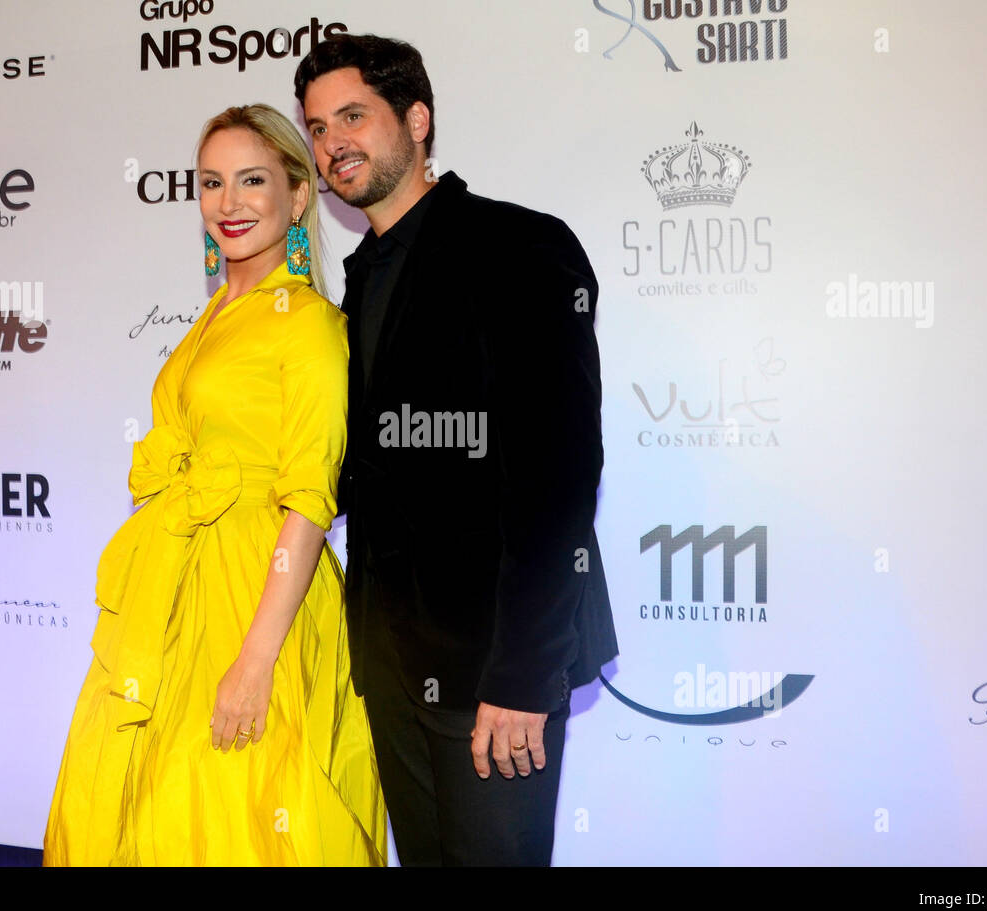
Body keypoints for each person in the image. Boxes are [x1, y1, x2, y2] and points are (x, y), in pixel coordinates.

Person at [295, 35, 618, 866]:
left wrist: (522, 677)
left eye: (354, 117)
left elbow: (559, 483)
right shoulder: (361, 276)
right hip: (394, 666)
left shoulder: (519, 247)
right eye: (318, 127)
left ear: (417, 118)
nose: (335, 143)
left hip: (493, 666)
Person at [42, 103, 385, 866]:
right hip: (178, 596)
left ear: (299, 197)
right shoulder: (216, 316)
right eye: (211, 183)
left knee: (241, 819)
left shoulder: (310, 328)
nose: (228, 203)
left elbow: (308, 498)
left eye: (252, 180)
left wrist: (256, 658)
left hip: (257, 597)